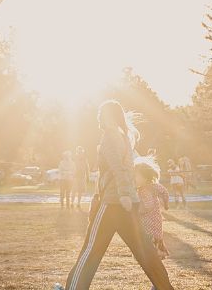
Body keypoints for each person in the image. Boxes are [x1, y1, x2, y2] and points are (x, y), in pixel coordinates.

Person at [53, 100, 176, 290]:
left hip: (112, 202)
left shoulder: (111, 137)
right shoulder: (124, 137)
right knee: (145, 251)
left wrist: (124, 194)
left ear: (109, 116)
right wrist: (128, 196)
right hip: (127, 203)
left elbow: (119, 167)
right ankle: (164, 288)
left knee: (91, 250)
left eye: (101, 113)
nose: (98, 117)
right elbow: (126, 168)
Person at [134, 158, 172, 269]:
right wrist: (166, 204)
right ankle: (156, 279)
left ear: (145, 177)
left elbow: (147, 205)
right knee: (153, 257)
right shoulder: (153, 186)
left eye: (135, 176)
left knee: (151, 256)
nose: (133, 179)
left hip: (149, 226)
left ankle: (157, 281)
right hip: (155, 225)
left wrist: (135, 210)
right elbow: (164, 192)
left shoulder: (145, 190)